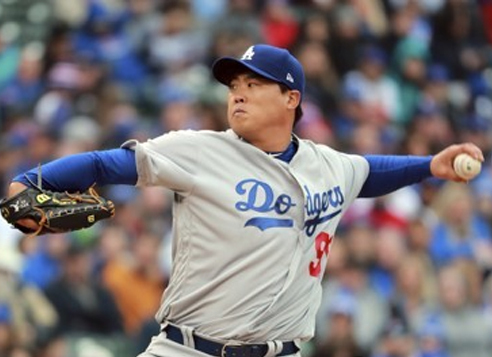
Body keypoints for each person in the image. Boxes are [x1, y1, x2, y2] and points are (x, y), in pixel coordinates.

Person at [4, 44, 484, 357]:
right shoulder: (199, 150)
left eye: (253, 85)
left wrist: (428, 166)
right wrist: (31, 180)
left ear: (291, 98)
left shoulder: (328, 164)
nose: (238, 95)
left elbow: (367, 173)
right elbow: (108, 164)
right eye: (234, 86)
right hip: (188, 349)